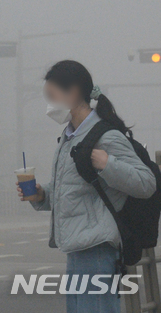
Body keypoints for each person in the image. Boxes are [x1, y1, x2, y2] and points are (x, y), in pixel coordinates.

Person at [17, 60, 155, 313]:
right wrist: (41, 195)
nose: (49, 105)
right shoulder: (70, 137)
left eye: (52, 96)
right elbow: (72, 190)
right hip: (77, 248)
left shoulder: (105, 136)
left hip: (98, 249)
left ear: (74, 93)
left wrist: (107, 164)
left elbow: (146, 184)